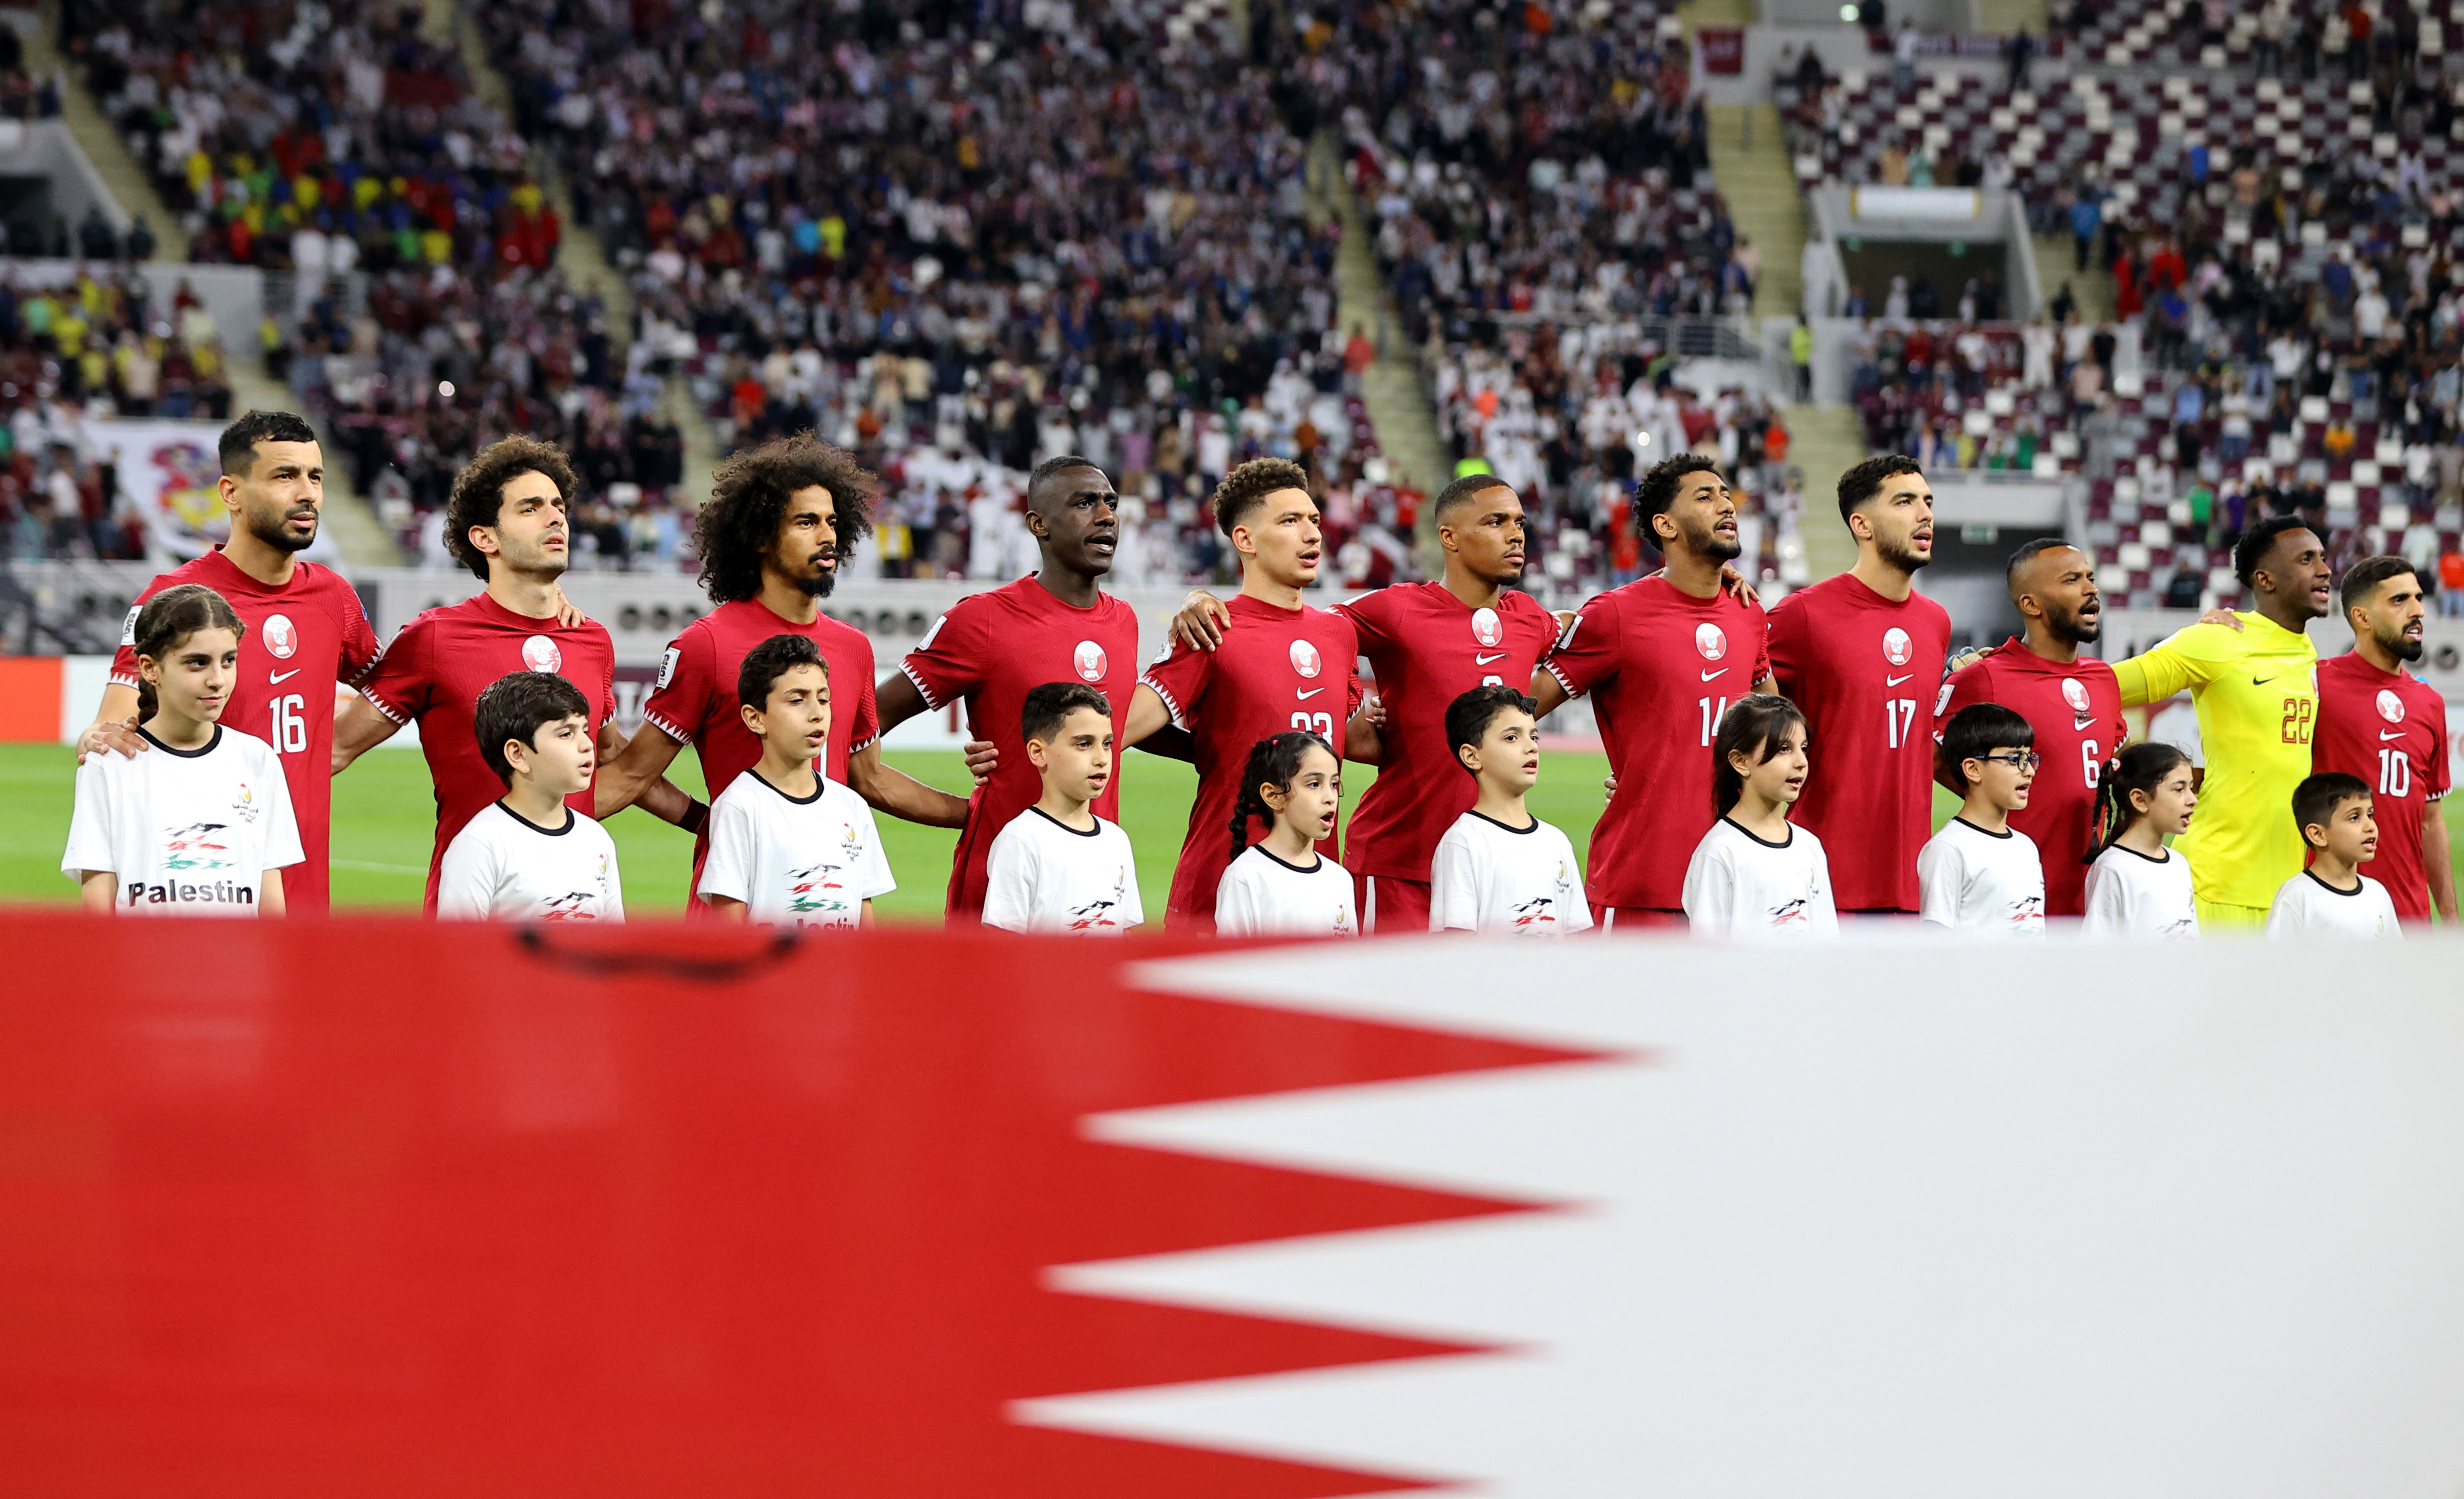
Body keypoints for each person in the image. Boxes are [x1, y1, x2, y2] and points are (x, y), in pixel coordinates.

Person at [1172, 474, 1561, 932]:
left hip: (1493, 860)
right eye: (1496, 521)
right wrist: (1199, 598)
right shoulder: (1395, 610)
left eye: (1519, 521)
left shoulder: (1532, 619)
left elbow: (1599, 639)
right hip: (1399, 861)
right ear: (1448, 537)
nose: (1515, 533)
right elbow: (1292, 624)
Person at [597, 433, 968, 911]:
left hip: (834, 900)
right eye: (806, 522)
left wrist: (977, 813)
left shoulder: (854, 648)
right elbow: (632, 774)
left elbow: (870, 778)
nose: (828, 535)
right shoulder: (705, 644)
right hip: (737, 905)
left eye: (833, 522)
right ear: (759, 536)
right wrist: (705, 820)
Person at [335, 437, 695, 910]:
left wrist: (709, 821)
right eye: (530, 508)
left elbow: (617, 761)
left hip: (579, 903)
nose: (555, 518)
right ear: (485, 537)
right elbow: (336, 749)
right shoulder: (435, 638)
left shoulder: (592, 640)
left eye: (558, 505)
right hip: (477, 912)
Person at [79, 411, 379, 915]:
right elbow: (115, 726)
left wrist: (339, 745)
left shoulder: (334, 598)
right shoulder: (174, 598)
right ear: (231, 492)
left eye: (315, 477)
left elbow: (394, 684)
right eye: (285, 476)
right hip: (206, 891)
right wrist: (100, 736)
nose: (307, 493)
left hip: (305, 894)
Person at [886, 455, 1142, 919]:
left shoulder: (1123, 621)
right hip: (1001, 887)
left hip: (1098, 875)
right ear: (1038, 524)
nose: (1107, 516)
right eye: (1084, 503)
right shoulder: (983, 620)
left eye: (1110, 503)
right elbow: (865, 718)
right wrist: (958, 811)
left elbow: (1125, 725)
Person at [1535, 455, 1772, 928]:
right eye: (1704, 497)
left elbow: (1780, 734)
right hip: (1643, 880)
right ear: (1665, 524)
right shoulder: (1616, 616)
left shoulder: (1748, 612)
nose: (1725, 504)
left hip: (1738, 879)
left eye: (1725, 494)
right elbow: (1518, 707)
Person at [1135, 459, 1366, 931]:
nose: (1312, 535)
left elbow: (1350, 740)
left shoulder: (1338, 633)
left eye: (1315, 521)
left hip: (1321, 886)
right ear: (1245, 540)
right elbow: (1119, 726)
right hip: (1220, 884)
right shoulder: (1211, 626)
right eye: (1290, 521)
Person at [2111, 516, 2331, 928]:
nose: (2324, 569)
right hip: (2217, 884)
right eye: (2306, 559)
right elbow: (2109, 685)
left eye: (2322, 557)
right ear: (2265, 580)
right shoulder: (2219, 638)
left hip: (2286, 889)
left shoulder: (2306, 653)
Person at [1767, 455, 1952, 915]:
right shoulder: (1803, 616)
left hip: (1911, 885)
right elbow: (1733, 707)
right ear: (1862, 525)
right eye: (1904, 502)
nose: (1924, 513)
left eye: (1927, 501)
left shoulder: (1935, 622)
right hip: (1819, 884)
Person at [63, 584, 301, 916]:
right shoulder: (109, 765)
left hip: (237, 965)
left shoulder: (257, 759)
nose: (218, 679)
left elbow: (271, 900)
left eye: (228, 660)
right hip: (144, 966)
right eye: (197, 663)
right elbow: (98, 903)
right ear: (149, 668)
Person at [1934, 540, 2126, 915]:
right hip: (2012, 901)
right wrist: (2000, 814)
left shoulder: (2104, 679)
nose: (2091, 589)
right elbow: (1936, 760)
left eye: (2090, 577)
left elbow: (2109, 765)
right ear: (2031, 604)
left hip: (2090, 902)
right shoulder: (1983, 678)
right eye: (2072, 580)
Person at [697, 635, 895, 928]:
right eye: (797, 701)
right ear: (756, 719)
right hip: (775, 975)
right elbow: (730, 930)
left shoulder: (851, 806)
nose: (817, 714)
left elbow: (864, 920)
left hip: (837, 975)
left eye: (824, 699)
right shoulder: (741, 805)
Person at [2309, 556, 2455, 925]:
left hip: (2409, 916)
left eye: (2418, 598)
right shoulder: (2313, 685)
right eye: (2398, 600)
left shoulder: (2429, 703)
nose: (2418, 610)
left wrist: (2451, 920)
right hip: (2330, 911)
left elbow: (2430, 820)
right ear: (2361, 617)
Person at [437, 672, 624, 922]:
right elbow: (456, 952)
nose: (587, 745)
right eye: (566, 734)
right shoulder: (481, 844)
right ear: (518, 754)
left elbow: (613, 943)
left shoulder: (596, 838)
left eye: (585, 731)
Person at [981, 682, 1142, 934]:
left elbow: (1126, 935)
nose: (1102, 758)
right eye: (1084, 744)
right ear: (1038, 753)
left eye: (1107, 744)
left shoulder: (1117, 840)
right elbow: (1002, 945)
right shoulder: (1021, 841)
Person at [1428, 686, 1590, 936]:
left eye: (1534, 737)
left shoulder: (1556, 842)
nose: (1532, 748)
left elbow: (1579, 938)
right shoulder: (1463, 843)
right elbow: (1455, 950)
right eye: (1512, 738)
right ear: (1472, 756)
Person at [1681, 692, 1838, 939]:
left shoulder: (1810, 846)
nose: (1801, 762)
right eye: (1784, 749)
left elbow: (1828, 943)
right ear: (1741, 762)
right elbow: (1708, 959)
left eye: (1804, 748)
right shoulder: (1719, 853)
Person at [1918, 703, 2047, 936]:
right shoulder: (1949, 850)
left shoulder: (2026, 846)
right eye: (2014, 759)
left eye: (2029, 758)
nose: (2029, 771)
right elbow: (1935, 945)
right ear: (1973, 769)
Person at [1214, 730, 1357, 938]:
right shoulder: (1247, 877)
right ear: (1273, 796)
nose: (1330, 797)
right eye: (1314, 784)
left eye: (1334, 784)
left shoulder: (1340, 879)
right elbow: (1232, 964)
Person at [2080, 742, 2200, 939]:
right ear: (2140, 800)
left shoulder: (2179, 863)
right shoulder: (2114, 868)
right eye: (2179, 789)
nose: (2192, 799)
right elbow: (2098, 951)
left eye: (2191, 788)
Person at [2265, 772, 2401, 938]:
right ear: (2318, 835)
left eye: (2370, 815)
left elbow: (2395, 959)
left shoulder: (2378, 894)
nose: (2371, 826)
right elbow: (2277, 961)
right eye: (2355, 817)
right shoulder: (2297, 897)